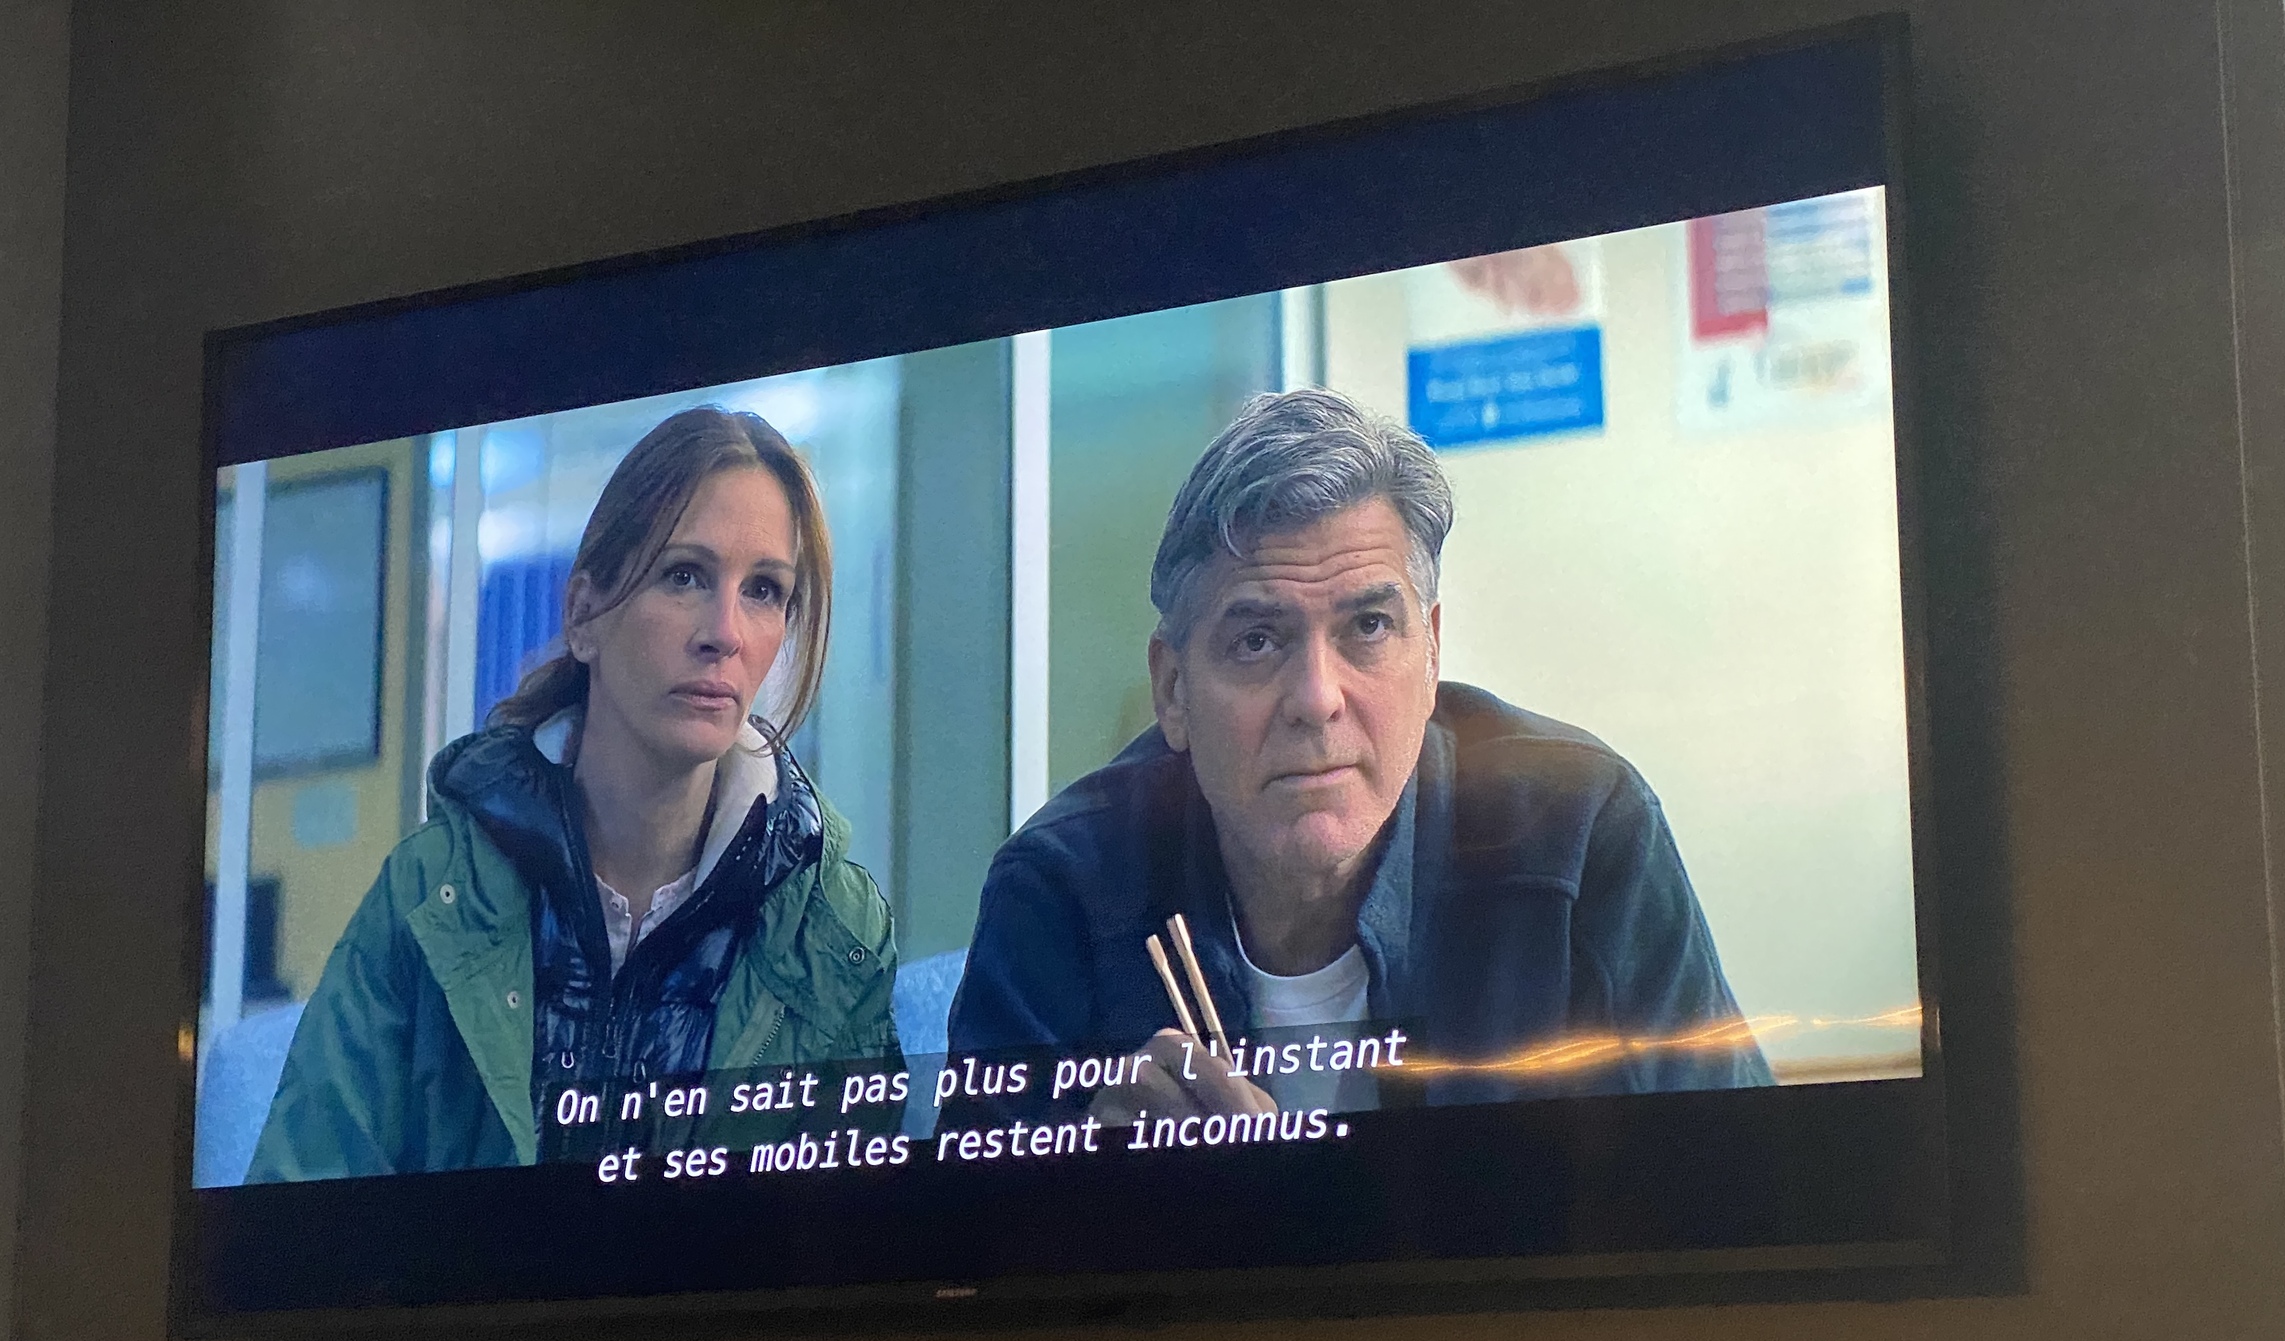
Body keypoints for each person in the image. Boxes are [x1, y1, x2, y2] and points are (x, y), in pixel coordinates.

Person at [946, 387, 1768, 1123]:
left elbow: (1743, 1183)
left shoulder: (1580, 829)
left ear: (1431, 654)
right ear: (1172, 689)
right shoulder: (1061, 887)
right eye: (1256, 640)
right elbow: (976, 1232)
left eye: (1368, 627)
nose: (1316, 698)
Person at [248, 407, 899, 1180]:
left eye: (763, 589)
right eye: (683, 575)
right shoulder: (435, 888)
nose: (724, 632)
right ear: (584, 614)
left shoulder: (831, 929)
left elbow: (852, 1238)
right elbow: (301, 1207)